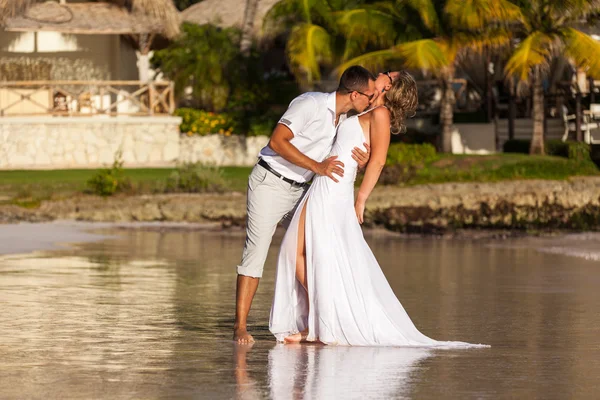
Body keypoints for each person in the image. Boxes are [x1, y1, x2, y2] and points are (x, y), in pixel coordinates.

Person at [269, 71, 488, 348]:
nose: (382, 73)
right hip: (325, 183)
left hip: (335, 188)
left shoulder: (380, 114)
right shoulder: (365, 108)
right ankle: (322, 317)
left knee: (300, 252)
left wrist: (360, 199)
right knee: (307, 253)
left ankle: (324, 319)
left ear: (389, 86)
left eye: (388, 74)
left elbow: (379, 161)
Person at [234, 66, 377, 343]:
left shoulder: (342, 119)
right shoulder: (309, 104)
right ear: (356, 94)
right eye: (369, 96)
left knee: (313, 247)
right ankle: (240, 326)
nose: (371, 101)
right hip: (270, 184)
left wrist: (361, 160)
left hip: (302, 191)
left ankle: (319, 317)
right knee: (256, 253)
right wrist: (317, 166)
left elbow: (342, 152)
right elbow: (277, 141)